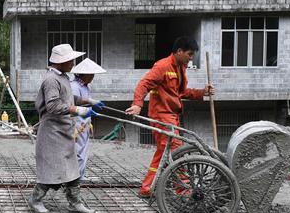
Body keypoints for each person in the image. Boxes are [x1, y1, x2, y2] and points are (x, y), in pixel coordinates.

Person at [126, 36, 215, 198]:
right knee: (176, 151)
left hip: (171, 116)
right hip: (161, 116)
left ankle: (147, 188)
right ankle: (182, 189)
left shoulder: (180, 68)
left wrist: (203, 93)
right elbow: (143, 84)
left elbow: (181, 93)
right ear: (179, 51)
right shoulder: (163, 66)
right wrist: (137, 104)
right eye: (189, 54)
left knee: (163, 153)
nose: (191, 58)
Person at [28, 44, 101, 213]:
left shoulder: (63, 78)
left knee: (72, 168)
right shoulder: (51, 80)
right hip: (52, 132)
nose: (73, 63)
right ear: (61, 62)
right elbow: (52, 105)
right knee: (51, 169)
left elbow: (69, 97)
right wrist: (77, 110)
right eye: (70, 60)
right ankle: (35, 200)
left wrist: (88, 101)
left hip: (64, 129)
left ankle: (75, 202)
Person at [70, 58, 107, 180]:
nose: (92, 77)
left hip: (85, 123)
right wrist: (91, 102)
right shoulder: (74, 86)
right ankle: (74, 177)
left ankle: (80, 175)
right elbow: (74, 104)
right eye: (91, 74)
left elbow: (86, 103)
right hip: (77, 123)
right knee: (78, 151)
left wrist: (92, 104)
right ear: (84, 74)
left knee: (84, 151)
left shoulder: (86, 87)